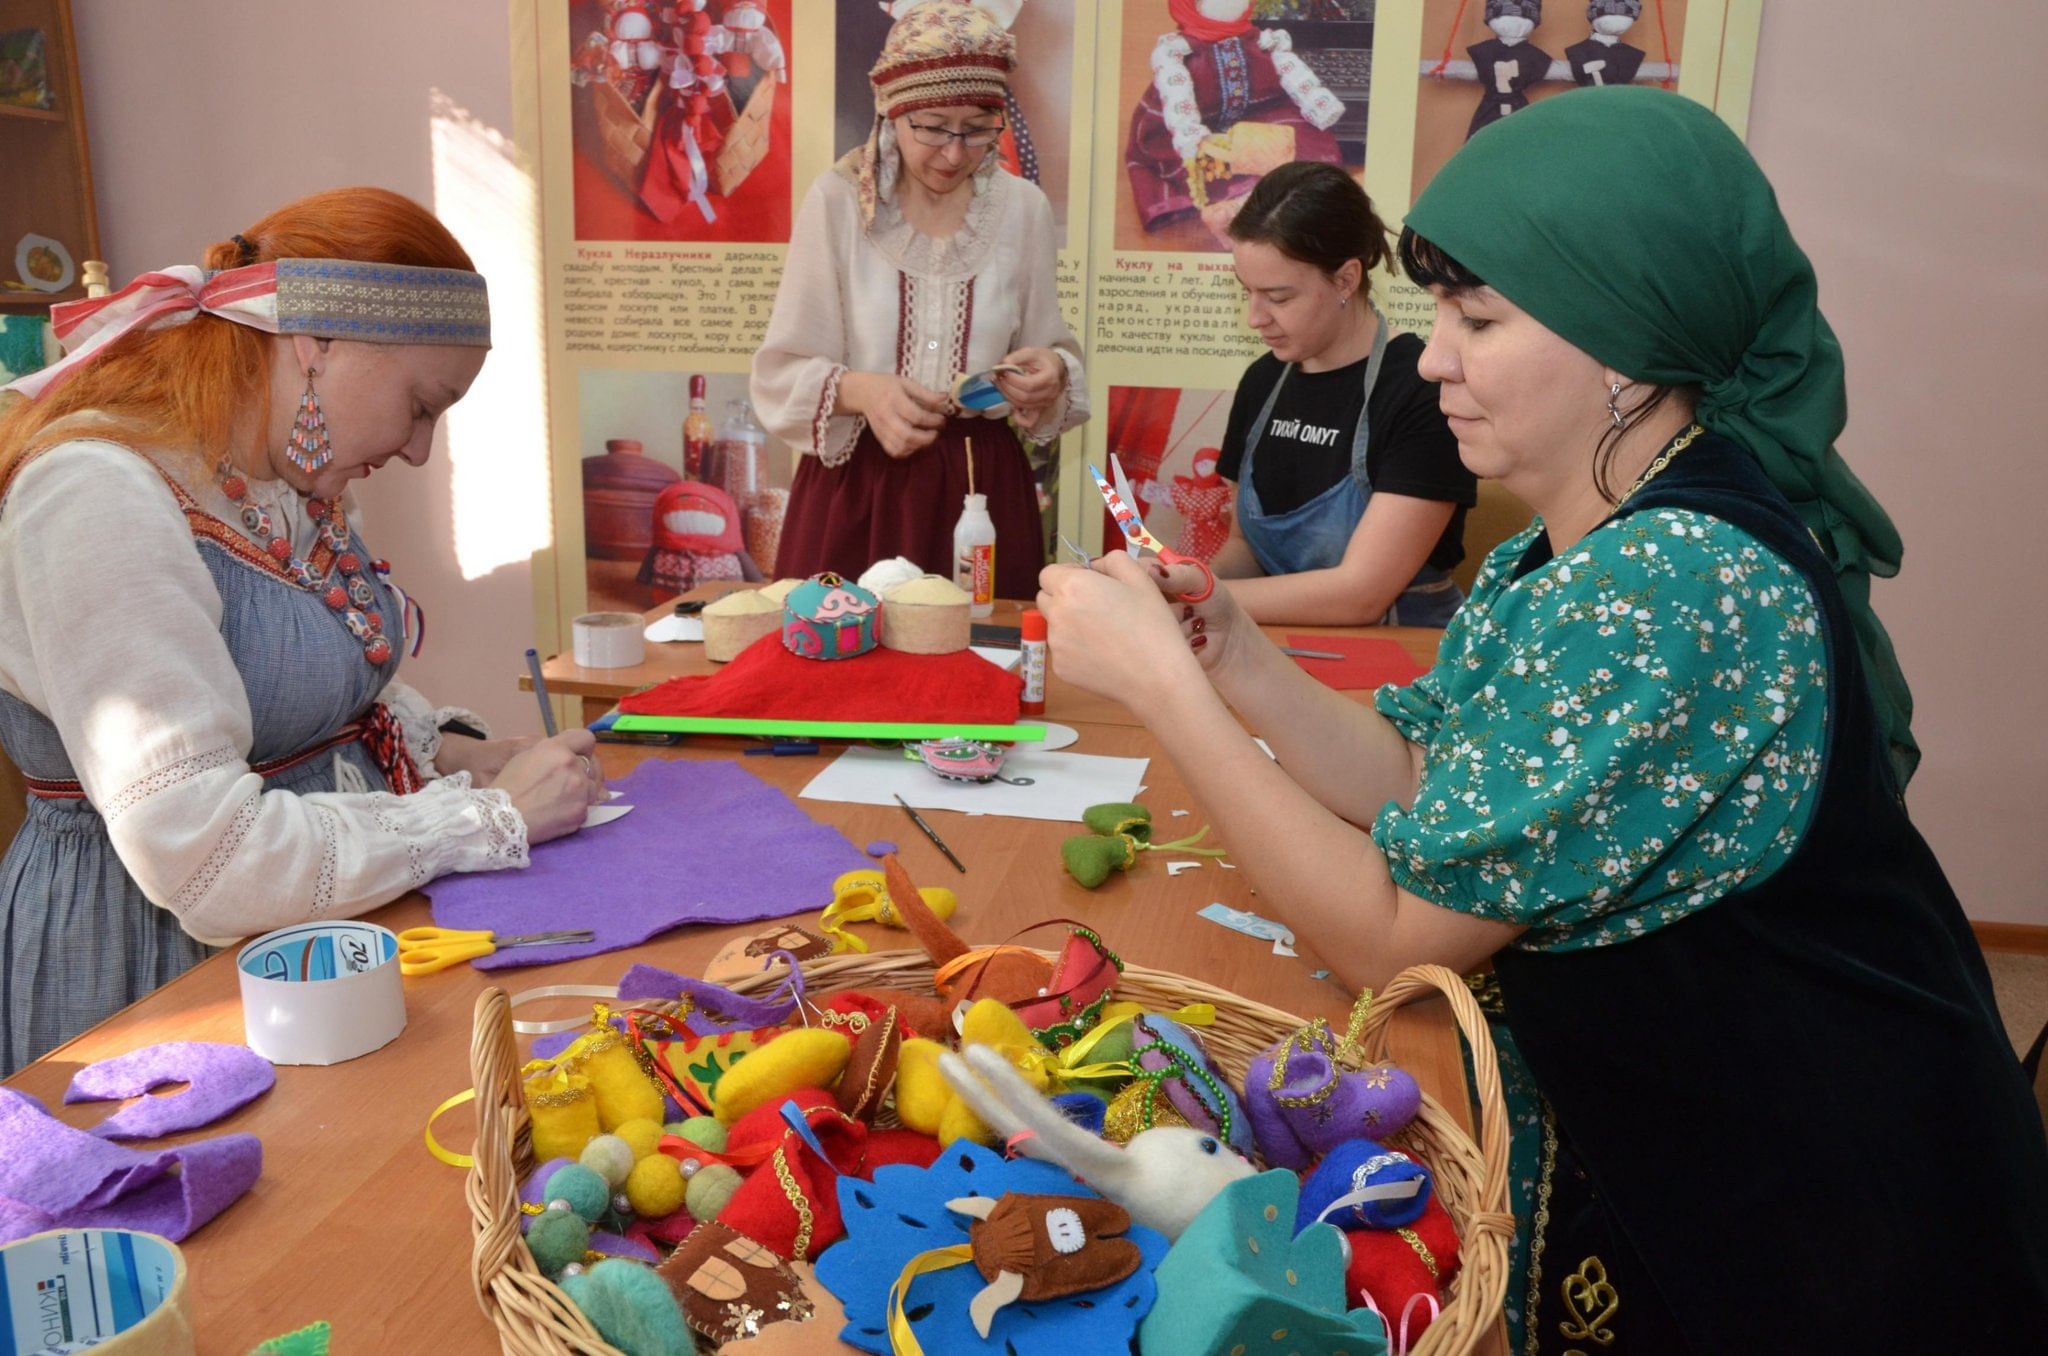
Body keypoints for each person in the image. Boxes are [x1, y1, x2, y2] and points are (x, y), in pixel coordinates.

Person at [1037, 87, 2048, 1351]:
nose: (1432, 358)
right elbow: (1422, 776)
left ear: (1622, 344)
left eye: (1476, 319)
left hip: (1806, 1198)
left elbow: (1390, 933)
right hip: (1717, 1119)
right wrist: (1229, 651)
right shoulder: (1583, 543)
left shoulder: (1669, 579)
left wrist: (1164, 695)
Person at [0, 188, 604, 1075]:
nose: (419, 449)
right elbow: (209, 863)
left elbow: (324, 670)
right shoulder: (97, 500)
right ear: (316, 346)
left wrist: (443, 750)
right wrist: (489, 818)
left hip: (300, 944)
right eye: (423, 405)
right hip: (154, 975)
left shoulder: (274, 486)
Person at [750, 0, 1086, 601]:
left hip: (981, 490)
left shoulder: (1021, 210)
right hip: (856, 485)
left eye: (979, 127)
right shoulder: (838, 202)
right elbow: (781, 371)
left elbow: (1051, 346)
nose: (954, 153)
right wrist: (867, 391)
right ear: (890, 111)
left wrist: (1052, 373)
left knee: (980, 667)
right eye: (931, 126)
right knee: (839, 673)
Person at [1210, 161, 1474, 626]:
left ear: (1346, 280)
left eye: (1278, 297)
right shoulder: (1262, 381)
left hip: (1402, 656)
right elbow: (1243, 548)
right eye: (1246, 291)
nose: (1255, 317)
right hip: (1279, 646)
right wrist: (1178, 587)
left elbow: (1360, 595)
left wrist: (1205, 598)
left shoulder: (1420, 389)